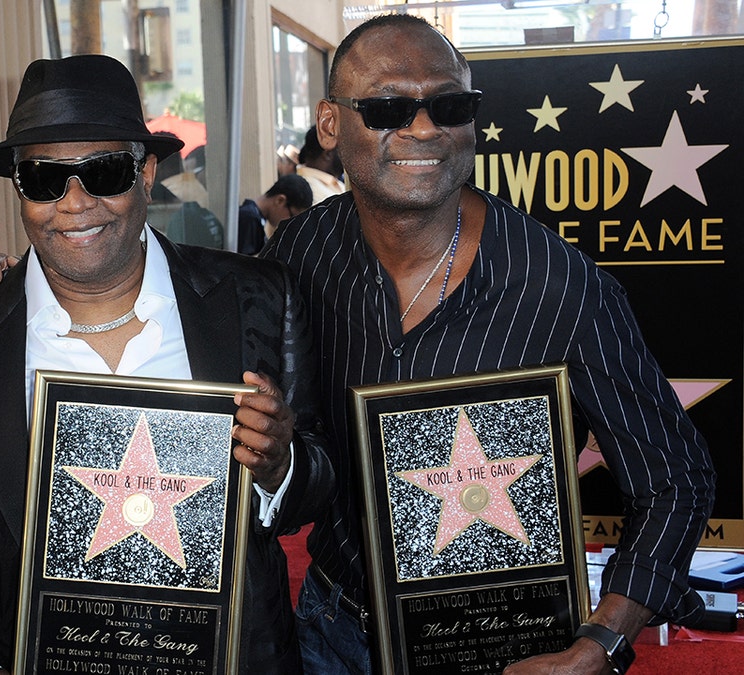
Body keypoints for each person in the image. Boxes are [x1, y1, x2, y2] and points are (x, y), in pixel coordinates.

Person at [260, 14, 714, 674]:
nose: (424, 129)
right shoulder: (302, 252)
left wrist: (604, 642)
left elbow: (676, 477)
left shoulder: (560, 285)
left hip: (497, 651)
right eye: (389, 106)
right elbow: (303, 444)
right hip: (332, 630)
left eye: (449, 105)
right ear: (331, 124)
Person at [0, 54, 333, 674]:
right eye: (45, 180)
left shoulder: (258, 298)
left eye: (103, 172)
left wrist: (279, 463)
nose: (75, 203)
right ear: (19, 191)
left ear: (146, 172)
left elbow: (318, 480)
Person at [238, 174, 313, 255]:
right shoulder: (249, 220)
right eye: (291, 216)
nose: (290, 222)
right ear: (280, 200)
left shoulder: (255, 220)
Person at [295, 126, 347, 205]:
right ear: (328, 154)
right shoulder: (308, 191)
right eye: (344, 149)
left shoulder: (333, 183)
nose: (349, 156)